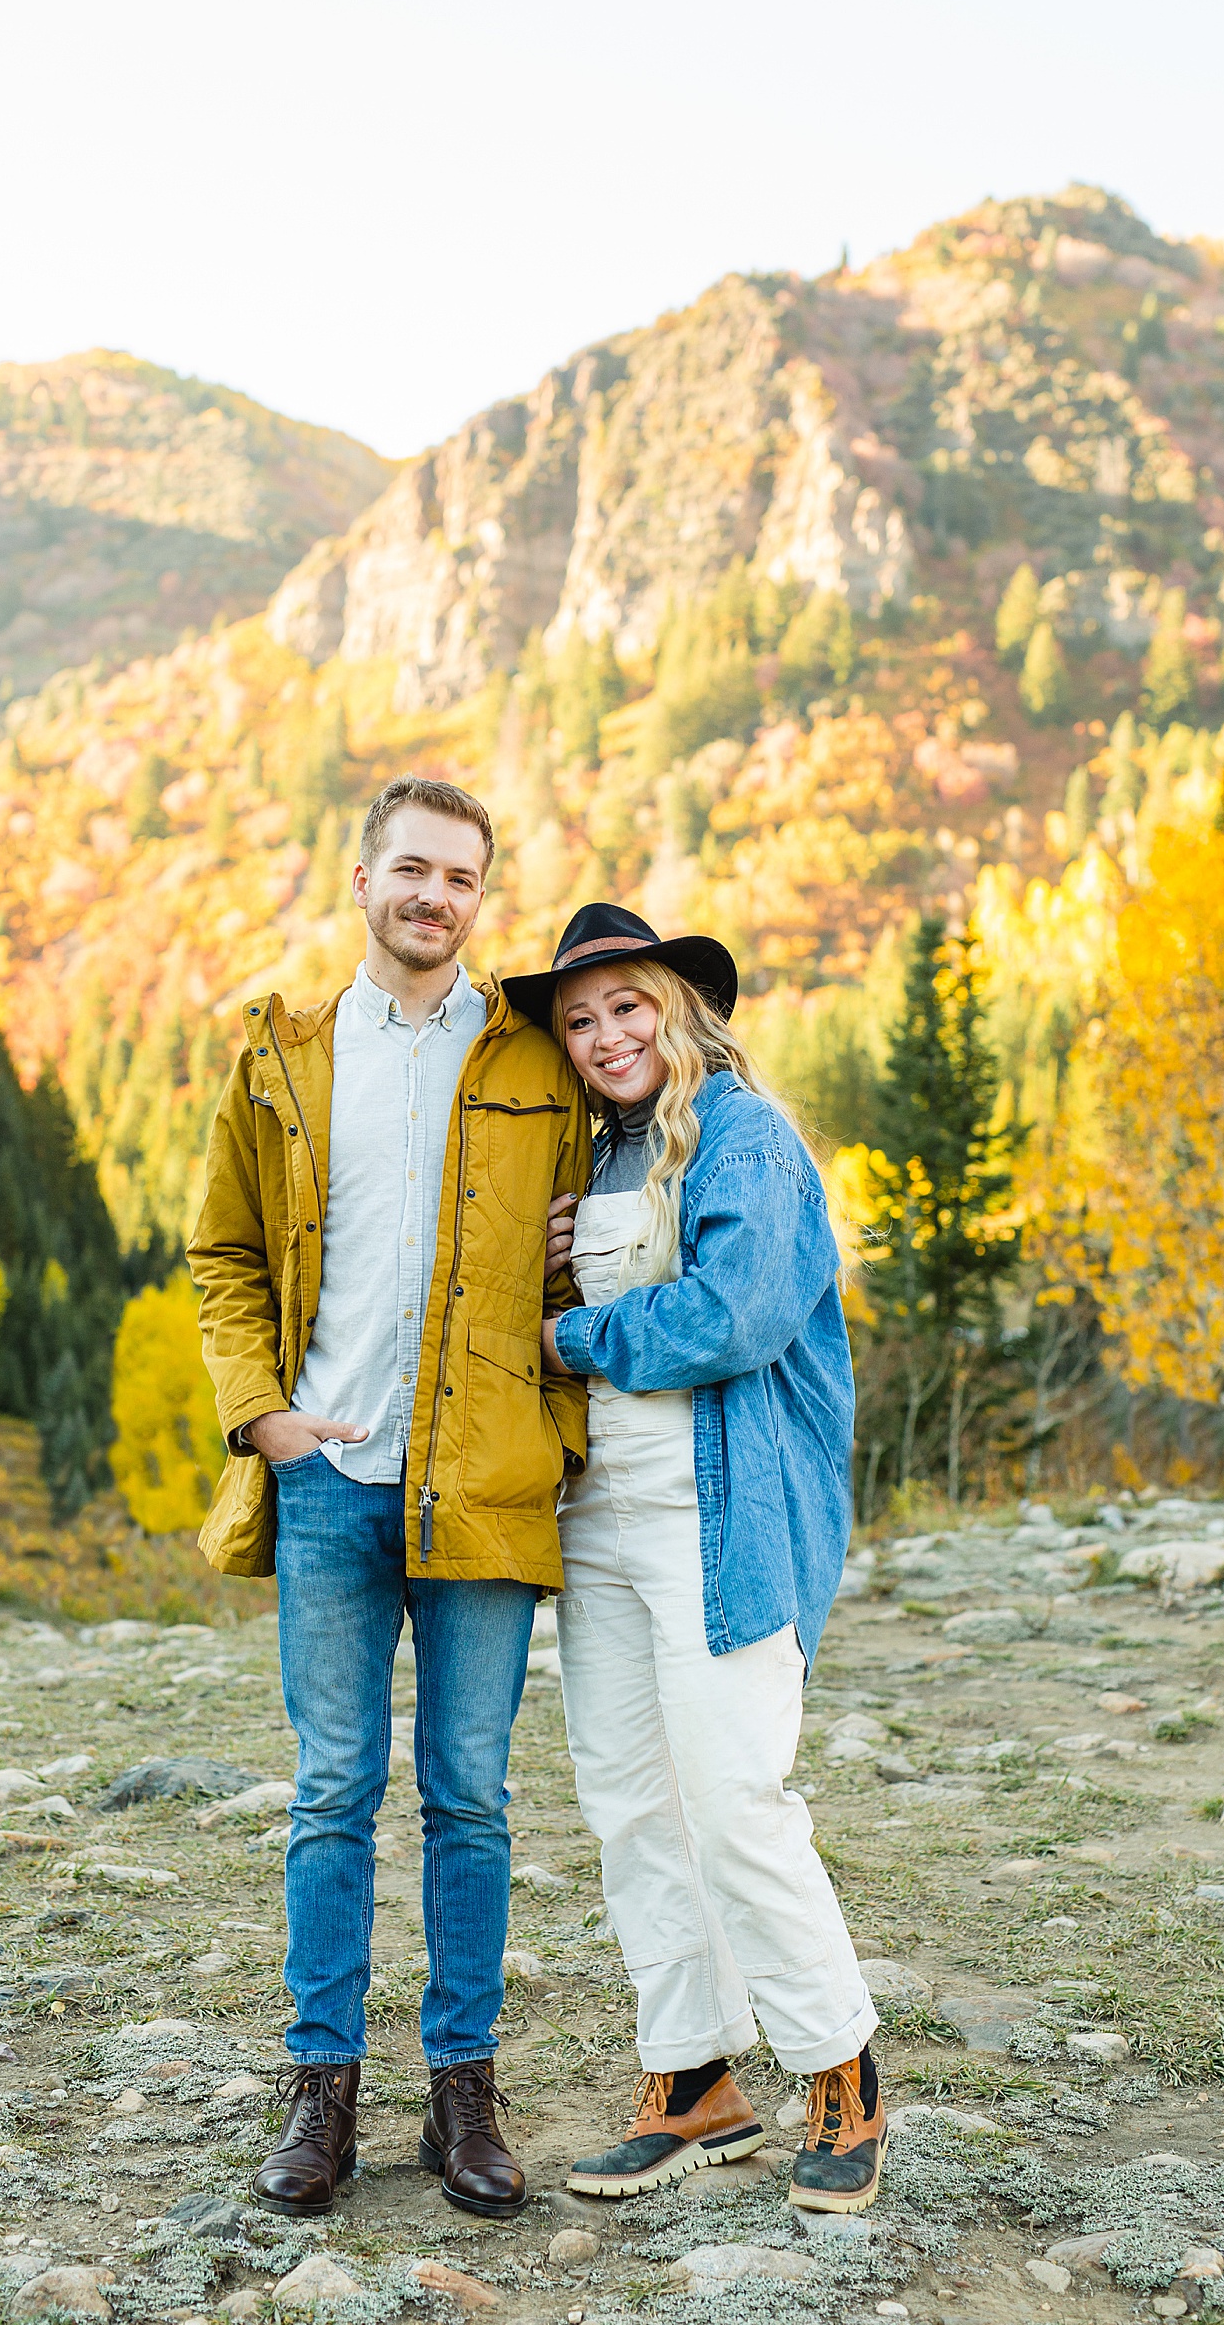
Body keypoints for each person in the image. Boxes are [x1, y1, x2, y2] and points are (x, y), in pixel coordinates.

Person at [188, 777, 591, 2221]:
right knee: (330, 1794)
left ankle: (464, 2096)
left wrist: (575, 1264)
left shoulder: (538, 1062)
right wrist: (267, 1418)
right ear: (361, 879)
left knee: (470, 1797)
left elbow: (601, 1244)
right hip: (332, 1484)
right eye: (411, 870)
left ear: (483, 901)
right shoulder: (283, 1062)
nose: (435, 896)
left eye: (462, 878)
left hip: (483, 1485)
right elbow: (222, 1256)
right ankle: (322, 2093)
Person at [502, 903, 882, 2217]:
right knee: (627, 1801)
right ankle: (691, 2078)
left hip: (725, 1524)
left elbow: (737, 1315)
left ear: (681, 1008)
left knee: (736, 1800)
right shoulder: (605, 1162)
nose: (607, 1034)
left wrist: (575, 1338)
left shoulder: (743, 1136)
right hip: (600, 1524)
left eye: (627, 1005)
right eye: (582, 1019)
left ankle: (839, 2067)